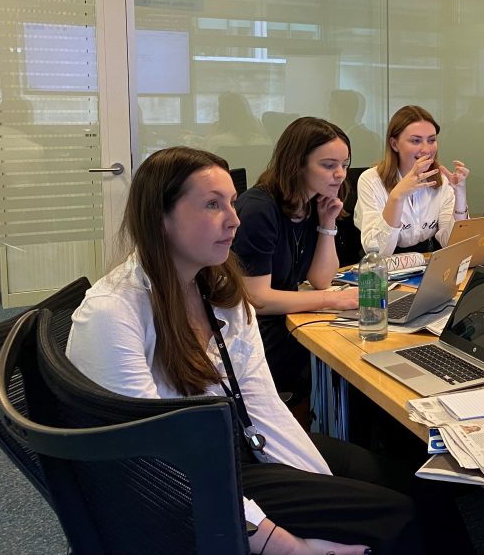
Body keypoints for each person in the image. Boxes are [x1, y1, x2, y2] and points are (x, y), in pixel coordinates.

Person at [67, 147, 420, 555]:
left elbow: (260, 399)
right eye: (212, 205)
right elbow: (155, 466)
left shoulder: (215, 288)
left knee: (413, 484)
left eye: (232, 203)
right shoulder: (113, 313)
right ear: (160, 218)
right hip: (201, 475)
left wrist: (315, 477)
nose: (234, 220)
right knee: (397, 516)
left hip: (246, 442)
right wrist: (289, 545)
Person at [232, 117, 358, 409]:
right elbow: (257, 299)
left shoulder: (314, 203)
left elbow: (321, 279)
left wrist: (327, 224)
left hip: (286, 321)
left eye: (345, 165)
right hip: (255, 335)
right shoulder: (259, 209)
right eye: (328, 165)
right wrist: (333, 301)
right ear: (297, 164)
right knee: (347, 362)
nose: (340, 174)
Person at [354, 106, 470, 257]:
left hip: (426, 263)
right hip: (381, 271)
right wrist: (397, 196)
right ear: (394, 144)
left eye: (431, 140)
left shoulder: (442, 180)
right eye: (416, 141)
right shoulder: (370, 180)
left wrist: (459, 194)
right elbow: (378, 253)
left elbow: (455, 246)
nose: (426, 150)